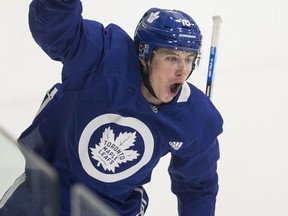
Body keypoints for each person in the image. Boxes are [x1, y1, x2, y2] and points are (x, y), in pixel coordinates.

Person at [0, 0, 223, 215]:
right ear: (144, 55)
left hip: (108, 211)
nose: (182, 70)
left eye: (189, 58)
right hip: (41, 195)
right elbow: (56, 31)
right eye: (172, 58)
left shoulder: (195, 117)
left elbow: (198, 187)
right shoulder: (103, 59)